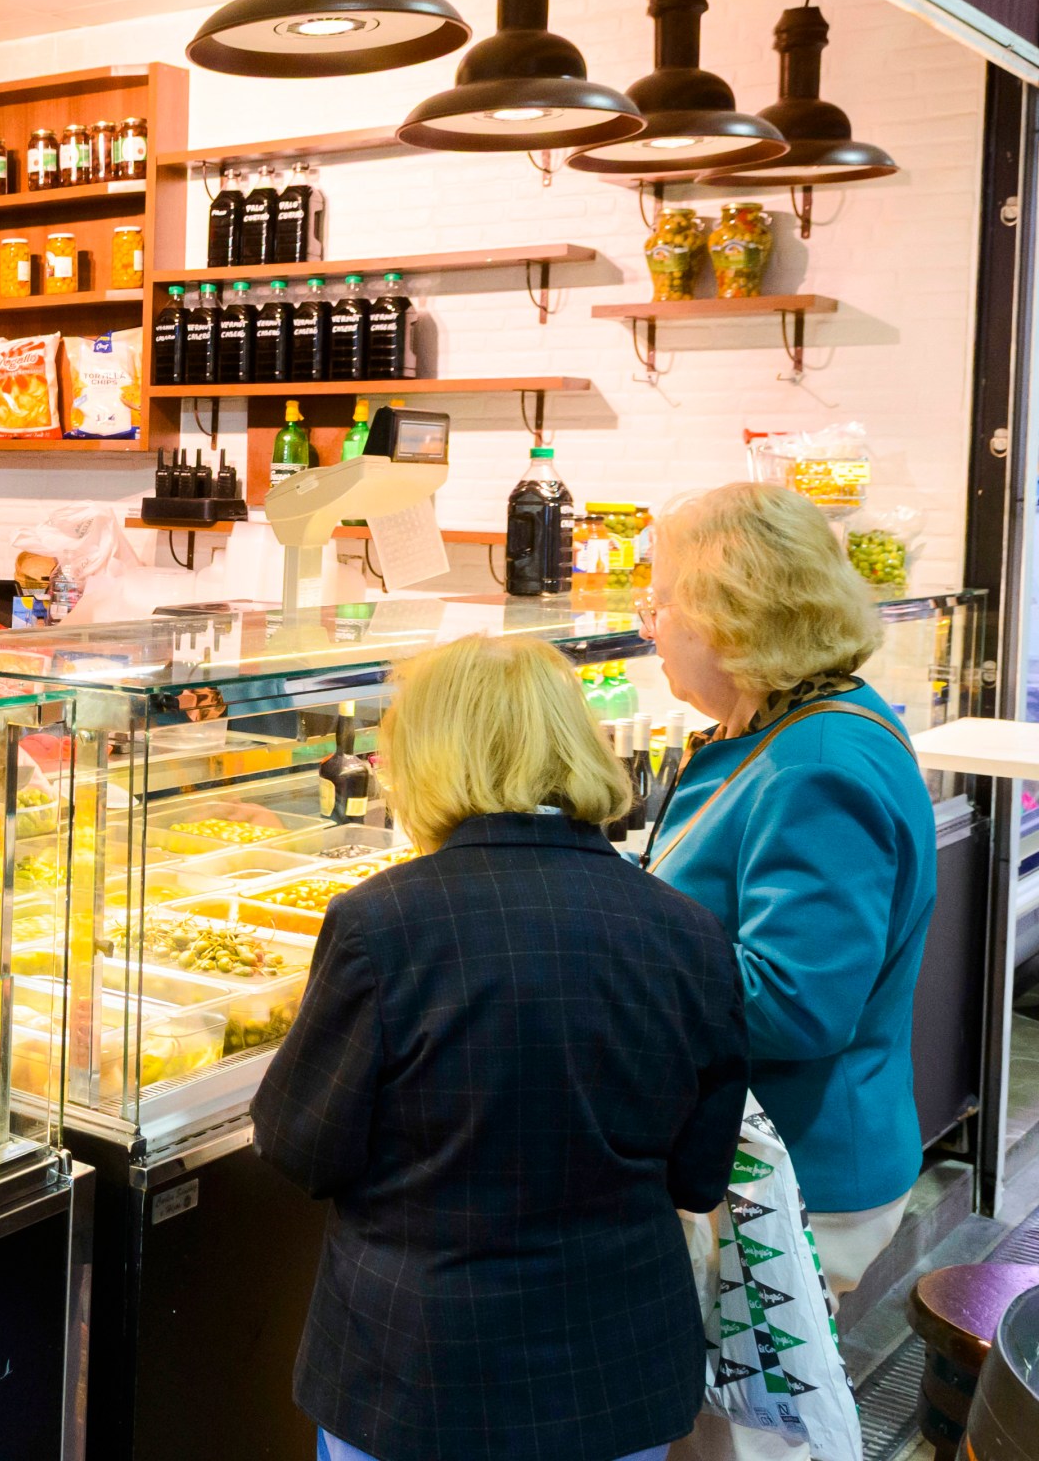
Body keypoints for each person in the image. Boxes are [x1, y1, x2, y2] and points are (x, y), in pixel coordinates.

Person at [254, 635, 750, 1461]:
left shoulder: (382, 925)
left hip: (415, 1372)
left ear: (428, 757)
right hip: (618, 1371)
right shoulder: (688, 931)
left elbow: (301, 1146)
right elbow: (700, 1174)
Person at [643, 483, 935, 1461]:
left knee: (747, 1446)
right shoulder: (778, 726)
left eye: (664, 595)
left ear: (734, 615)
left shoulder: (818, 761)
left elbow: (797, 1001)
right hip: (769, 1152)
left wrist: (619, 957)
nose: (649, 619)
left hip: (800, 1167)